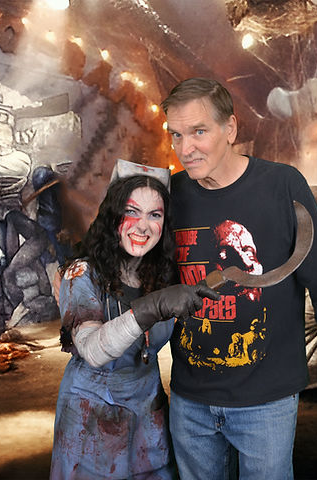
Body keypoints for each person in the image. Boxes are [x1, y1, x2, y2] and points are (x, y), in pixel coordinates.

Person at [161, 77, 317, 479]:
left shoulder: (281, 185)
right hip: (190, 402)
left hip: (265, 403)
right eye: (176, 135)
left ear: (230, 128)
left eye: (199, 131)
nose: (185, 148)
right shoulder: (170, 194)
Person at [50, 171, 219, 479]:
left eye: (155, 215)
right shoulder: (82, 274)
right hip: (91, 416)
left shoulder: (160, 274)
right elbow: (92, 349)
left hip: (148, 413)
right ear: (113, 216)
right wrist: (153, 307)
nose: (143, 225)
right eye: (131, 212)